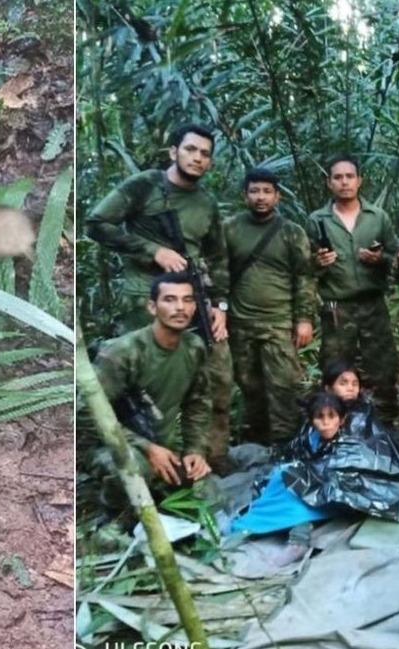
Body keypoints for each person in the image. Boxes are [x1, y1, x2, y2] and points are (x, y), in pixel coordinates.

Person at [84, 123, 234, 465]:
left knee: (217, 376)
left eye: (205, 154)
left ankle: (209, 460)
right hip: (145, 299)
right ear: (174, 152)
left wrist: (220, 306)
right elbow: (96, 224)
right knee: (141, 385)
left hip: (195, 297)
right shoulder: (146, 186)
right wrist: (152, 251)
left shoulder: (206, 203)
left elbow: (218, 257)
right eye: (191, 150)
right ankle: (134, 461)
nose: (197, 158)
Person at [91, 273, 213, 505]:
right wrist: (147, 448)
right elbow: (88, 416)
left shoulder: (194, 347)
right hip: (109, 444)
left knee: (206, 489)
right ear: (152, 307)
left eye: (187, 300)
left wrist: (195, 450)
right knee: (135, 471)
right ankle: (112, 516)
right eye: (170, 299)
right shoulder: (122, 353)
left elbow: (198, 403)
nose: (180, 308)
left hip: (160, 444)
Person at [224, 168, 317, 443]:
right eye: (254, 191)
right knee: (250, 387)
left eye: (267, 191)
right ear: (245, 195)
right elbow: (218, 272)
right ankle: (257, 442)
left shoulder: (291, 232)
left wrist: (304, 319)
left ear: (277, 197)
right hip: (240, 323)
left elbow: (305, 276)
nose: (260, 197)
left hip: (279, 323)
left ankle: (285, 444)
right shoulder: (229, 229)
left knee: (284, 387)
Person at [306, 154, 399, 422]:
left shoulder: (377, 217)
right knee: (336, 365)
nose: (344, 182)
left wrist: (379, 259)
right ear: (329, 183)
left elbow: (397, 258)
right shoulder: (317, 220)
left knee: (382, 364)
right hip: (337, 306)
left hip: (373, 304)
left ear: (360, 181)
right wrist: (319, 263)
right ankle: (336, 422)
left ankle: (385, 425)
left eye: (350, 176)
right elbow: (306, 267)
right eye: (338, 177)